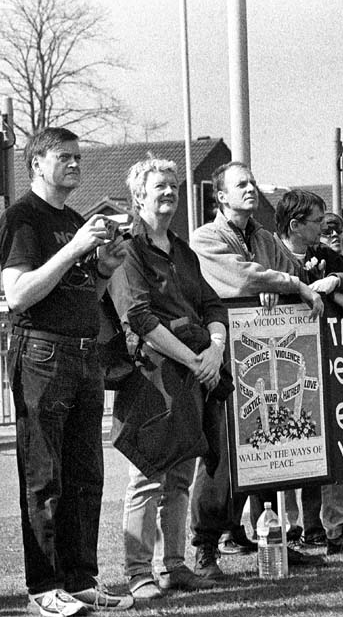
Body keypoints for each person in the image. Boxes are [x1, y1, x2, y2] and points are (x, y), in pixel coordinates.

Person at [0, 127, 132, 615]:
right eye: (65, 157)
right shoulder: (22, 219)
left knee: (85, 475)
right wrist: (76, 249)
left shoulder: (75, 219)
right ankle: (42, 587)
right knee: (43, 475)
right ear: (36, 163)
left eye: (79, 157)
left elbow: (82, 297)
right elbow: (19, 293)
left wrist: (102, 269)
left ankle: (80, 579)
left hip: (83, 352)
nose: (76, 164)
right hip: (41, 354)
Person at [187, 162, 326, 577]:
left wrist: (300, 284)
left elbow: (298, 272)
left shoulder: (264, 237)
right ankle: (206, 547)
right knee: (222, 454)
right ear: (221, 196)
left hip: (268, 356)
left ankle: (275, 539)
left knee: (270, 448)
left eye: (251, 182)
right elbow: (242, 278)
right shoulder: (206, 236)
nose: (250, 189)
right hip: (223, 357)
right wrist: (285, 284)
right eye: (240, 184)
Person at [109, 157, 225, 599]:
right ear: (138, 195)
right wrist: (197, 361)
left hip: (194, 374)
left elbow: (212, 305)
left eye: (174, 186)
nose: (169, 193)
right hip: (152, 376)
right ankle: (139, 572)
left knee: (181, 476)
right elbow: (137, 317)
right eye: (160, 186)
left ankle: (174, 566)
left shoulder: (182, 250)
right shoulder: (128, 248)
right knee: (148, 474)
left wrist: (215, 348)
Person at [272, 189, 343, 556]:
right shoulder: (269, 251)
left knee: (336, 437)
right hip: (281, 365)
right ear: (295, 225)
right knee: (284, 439)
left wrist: (335, 286)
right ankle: (286, 530)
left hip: (324, 362)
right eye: (317, 222)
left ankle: (338, 526)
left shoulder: (322, 255)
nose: (323, 228)